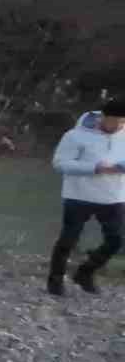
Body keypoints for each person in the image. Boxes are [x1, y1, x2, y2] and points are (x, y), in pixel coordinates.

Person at [47, 98, 125, 296]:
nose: (118, 126)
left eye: (123, 122)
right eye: (115, 121)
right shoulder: (75, 136)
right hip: (78, 196)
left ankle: (85, 272)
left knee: (116, 241)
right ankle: (55, 282)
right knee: (68, 240)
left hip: (113, 196)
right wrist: (95, 168)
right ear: (103, 117)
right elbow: (60, 163)